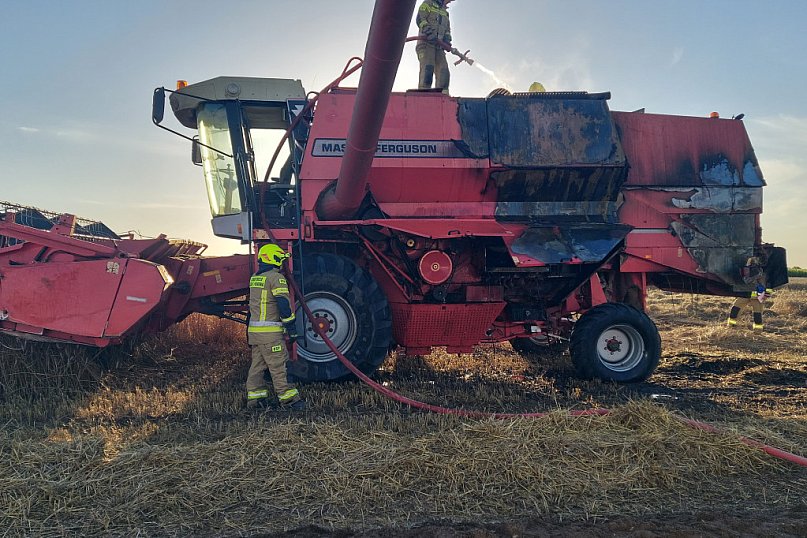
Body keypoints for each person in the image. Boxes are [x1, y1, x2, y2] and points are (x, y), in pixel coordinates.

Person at [245, 243, 305, 410]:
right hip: (270, 334)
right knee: (279, 366)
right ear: (272, 258)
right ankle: (289, 400)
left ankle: (255, 399)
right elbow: (283, 305)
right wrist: (291, 328)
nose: (281, 262)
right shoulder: (276, 278)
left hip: (255, 333)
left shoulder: (256, 277)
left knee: (257, 367)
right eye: (280, 258)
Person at [416, 0, 454, 93]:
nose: (449, 2)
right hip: (426, 44)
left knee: (444, 71)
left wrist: (447, 39)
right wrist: (428, 31)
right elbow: (420, 18)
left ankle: (443, 97)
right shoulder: (428, 3)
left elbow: (447, 29)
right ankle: (424, 94)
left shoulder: (445, 13)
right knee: (428, 69)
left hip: (439, 47)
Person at [726, 256, 772, 331]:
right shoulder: (760, 271)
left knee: (738, 310)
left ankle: (732, 327)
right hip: (752, 295)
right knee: (737, 310)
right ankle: (732, 326)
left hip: (749, 294)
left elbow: (746, 280)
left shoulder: (754, 270)